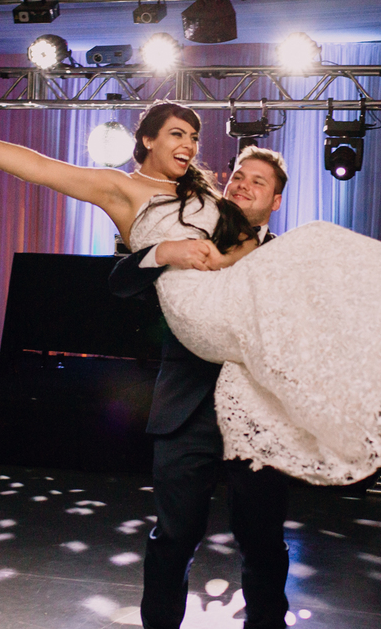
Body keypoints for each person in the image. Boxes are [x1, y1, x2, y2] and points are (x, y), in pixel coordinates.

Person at [0, 102, 381, 485]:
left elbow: (244, 250)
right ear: (147, 141)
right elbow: (41, 167)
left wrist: (232, 254)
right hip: (194, 310)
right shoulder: (122, 189)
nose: (189, 145)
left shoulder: (209, 198)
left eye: (193, 136)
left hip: (229, 295)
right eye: (177, 134)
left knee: (332, 316)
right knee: (316, 246)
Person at [110, 145, 291, 629]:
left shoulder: (288, 257)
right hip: (186, 412)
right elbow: (119, 282)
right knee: (173, 538)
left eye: (258, 181)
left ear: (275, 202)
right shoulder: (186, 235)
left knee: (263, 542)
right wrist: (165, 252)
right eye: (238, 176)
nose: (243, 185)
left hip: (260, 419)